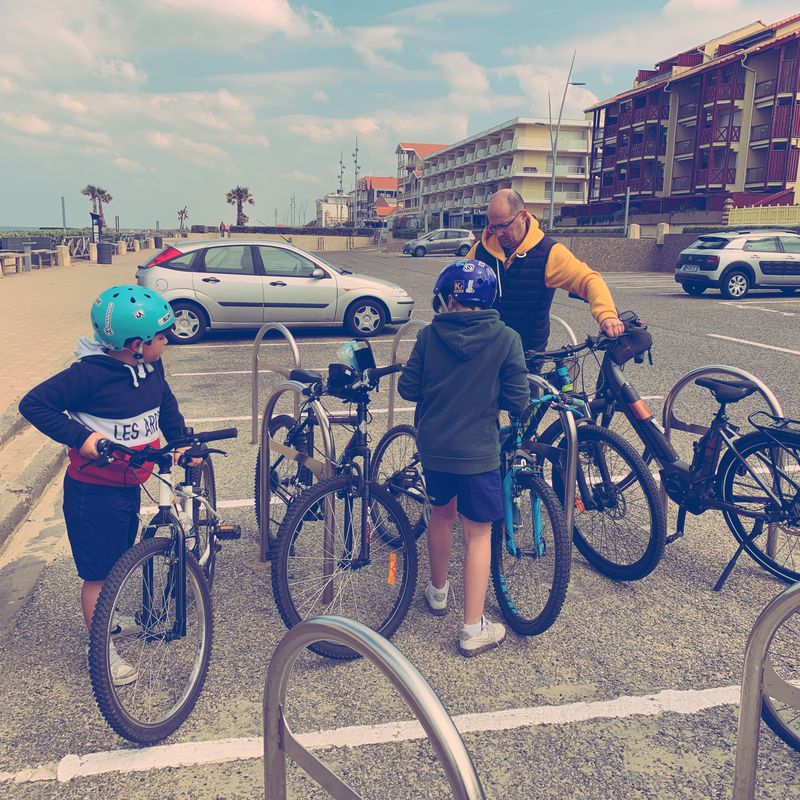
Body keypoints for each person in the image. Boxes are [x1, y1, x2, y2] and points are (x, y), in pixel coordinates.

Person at [19, 285, 199, 686]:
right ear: (135, 345)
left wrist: (181, 441)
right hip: (93, 492)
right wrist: (82, 438)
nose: (167, 341)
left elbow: (165, 407)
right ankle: (100, 650)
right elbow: (33, 404)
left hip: (130, 482)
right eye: (161, 336)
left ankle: (109, 619)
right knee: (99, 574)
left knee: (118, 558)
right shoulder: (88, 375)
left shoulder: (151, 367)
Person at [398, 259, 529, 657]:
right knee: (478, 533)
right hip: (478, 452)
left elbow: (407, 388)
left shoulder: (428, 335)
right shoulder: (506, 338)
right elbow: (517, 399)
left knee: (441, 515)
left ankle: (438, 592)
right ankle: (473, 628)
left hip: (435, 448)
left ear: (447, 299)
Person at [467, 188, 624, 353]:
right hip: (483, 349)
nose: (498, 233)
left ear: (523, 216)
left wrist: (607, 315)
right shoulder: (480, 251)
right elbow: (454, 285)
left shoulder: (548, 253)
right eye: (493, 227)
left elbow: (589, 279)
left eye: (504, 226)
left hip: (526, 353)